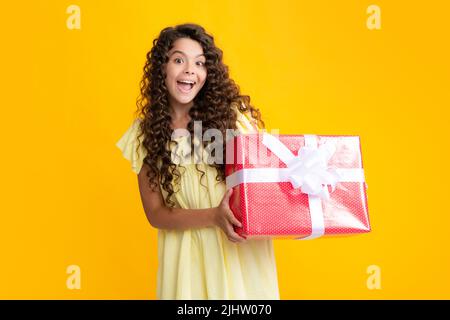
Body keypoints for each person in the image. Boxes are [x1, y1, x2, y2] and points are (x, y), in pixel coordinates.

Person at [116, 23, 279, 300]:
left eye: (200, 63)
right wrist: (213, 216)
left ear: (208, 73)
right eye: (179, 60)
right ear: (162, 70)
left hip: (238, 256)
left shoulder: (232, 120)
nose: (190, 69)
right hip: (185, 261)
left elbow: (264, 183)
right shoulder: (146, 134)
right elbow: (155, 213)